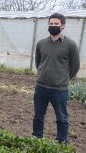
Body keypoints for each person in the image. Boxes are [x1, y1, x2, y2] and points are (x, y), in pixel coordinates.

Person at [32, 13, 81, 144]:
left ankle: (62, 142)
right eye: (51, 24)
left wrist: (62, 78)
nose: (53, 26)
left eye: (56, 24)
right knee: (38, 116)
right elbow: (39, 63)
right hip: (41, 87)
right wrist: (43, 74)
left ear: (63, 26)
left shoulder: (70, 45)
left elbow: (75, 66)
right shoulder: (41, 44)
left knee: (61, 118)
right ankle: (36, 140)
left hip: (59, 89)